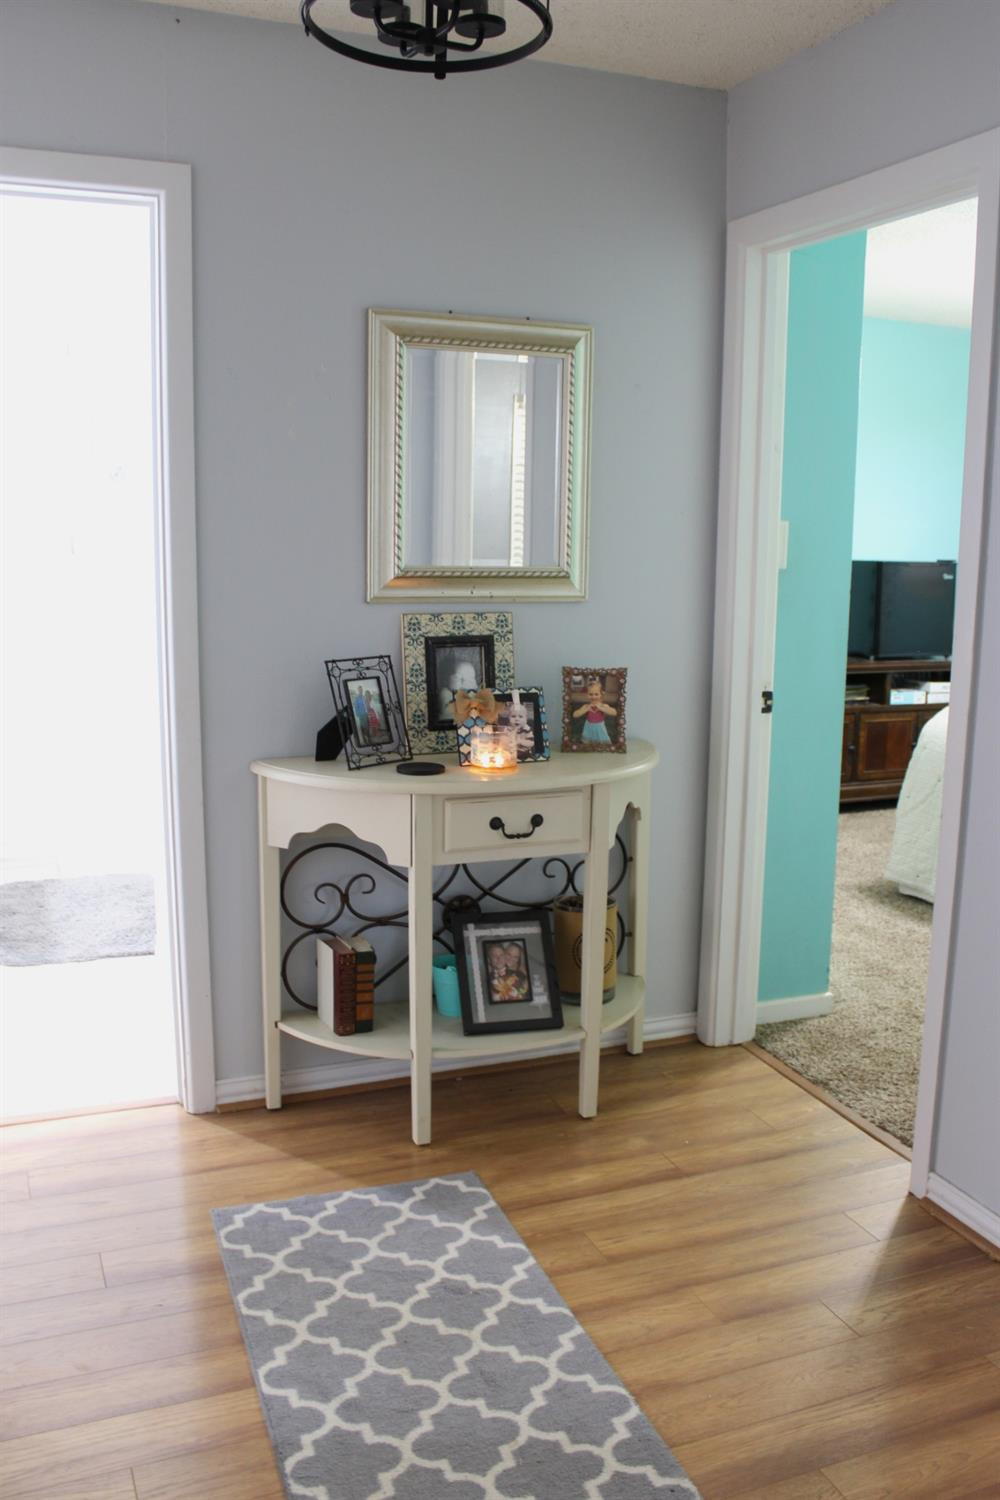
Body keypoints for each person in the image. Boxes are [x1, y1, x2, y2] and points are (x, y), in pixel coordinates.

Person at [573, 678, 616, 745]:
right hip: (589, 727)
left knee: (603, 744)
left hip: (600, 727)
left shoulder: (603, 705)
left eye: (596, 694)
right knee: (588, 744)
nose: (593, 696)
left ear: (601, 694)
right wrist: (586, 709)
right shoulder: (586, 706)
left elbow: (614, 712)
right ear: (587, 695)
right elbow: (575, 715)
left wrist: (601, 708)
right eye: (591, 694)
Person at [438, 656, 480, 722]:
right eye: (461, 679)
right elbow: (447, 715)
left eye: (471, 679)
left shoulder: (472, 692)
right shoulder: (445, 693)